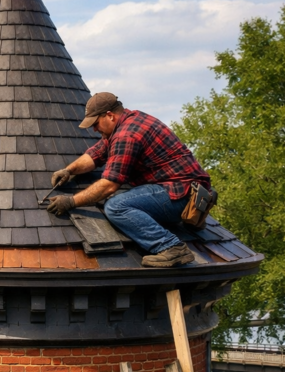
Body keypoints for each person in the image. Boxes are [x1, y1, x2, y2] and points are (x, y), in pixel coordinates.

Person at [46, 92, 212, 267]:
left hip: (181, 194)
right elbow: (97, 154)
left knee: (116, 206)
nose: (94, 129)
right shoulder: (129, 121)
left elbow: (109, 185)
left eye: (95, 123)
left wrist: (71, 201)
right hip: (189, 190)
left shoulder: (126, 135)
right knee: (123, 198)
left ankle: (171, 248)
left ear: (109, 115)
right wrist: (68, 170)